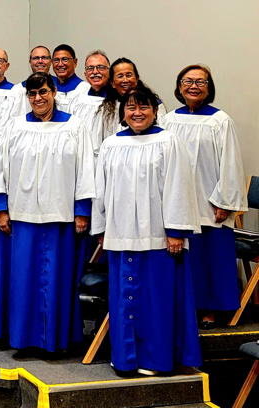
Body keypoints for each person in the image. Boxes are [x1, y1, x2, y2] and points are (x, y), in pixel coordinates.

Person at [91, 86, 202, 375]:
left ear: (154, 111)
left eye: (143, 107)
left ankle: (155, 359)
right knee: (122, 297)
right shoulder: (111, 144)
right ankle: (125, 357)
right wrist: (102, 228)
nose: (137, 113)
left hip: (158, 237)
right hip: (120, 233)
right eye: (131, 108)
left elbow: (178, 187)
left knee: (156, 300)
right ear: (123, 113)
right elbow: (101, 190)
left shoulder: (168, 141)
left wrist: (176, 231)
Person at [0, 72, 95, 354]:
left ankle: (56, 340)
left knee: (58, 279)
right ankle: (22, 339)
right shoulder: (15, 126)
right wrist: (0, 209)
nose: (38, 98)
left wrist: (82, 210)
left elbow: (85, 170)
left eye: (44, 92)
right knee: (22, 280)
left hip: (61, 219)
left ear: (54, 92)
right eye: (33, 94)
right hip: (22, 218)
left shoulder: (74, 126)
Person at [164, 64, 247, 329]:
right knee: (182, 257)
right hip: (177, 201)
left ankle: (210, 309)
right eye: (188, 81)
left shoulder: (220, 120)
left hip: (209, 201)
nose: (194, 86)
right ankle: (183, 305)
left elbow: (231, 162)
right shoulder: (168, 120)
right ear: (178, 87)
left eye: (201, 82)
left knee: (209, 257)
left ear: (209, 88)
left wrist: (223, 201)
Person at [100, 57, 167, 138]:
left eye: (129, 75)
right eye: (120, 76)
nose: (125, 80)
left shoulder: (153, 104)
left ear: (137, 78)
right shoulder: (107, 107)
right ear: (112, 83)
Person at [67, 50, 111, 160]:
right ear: (85, 74)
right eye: (90, 68)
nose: (95, 72)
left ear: (109, 72)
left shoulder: (118, 102)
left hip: (106, 160)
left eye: (100, 67)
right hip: (80, 159)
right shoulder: (76, 101)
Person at [10, 45, 54, 117]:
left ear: (50, 61)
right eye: (36, 58)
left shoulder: (60, 88)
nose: (40, 61)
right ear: (30, 61)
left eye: (44, 58)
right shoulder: (18, 90)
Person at [51, 44, 90, 112]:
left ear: (75, 62)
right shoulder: (49, 89)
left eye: (65, 59)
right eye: (56, 60)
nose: (60, 64)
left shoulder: (85, 89)